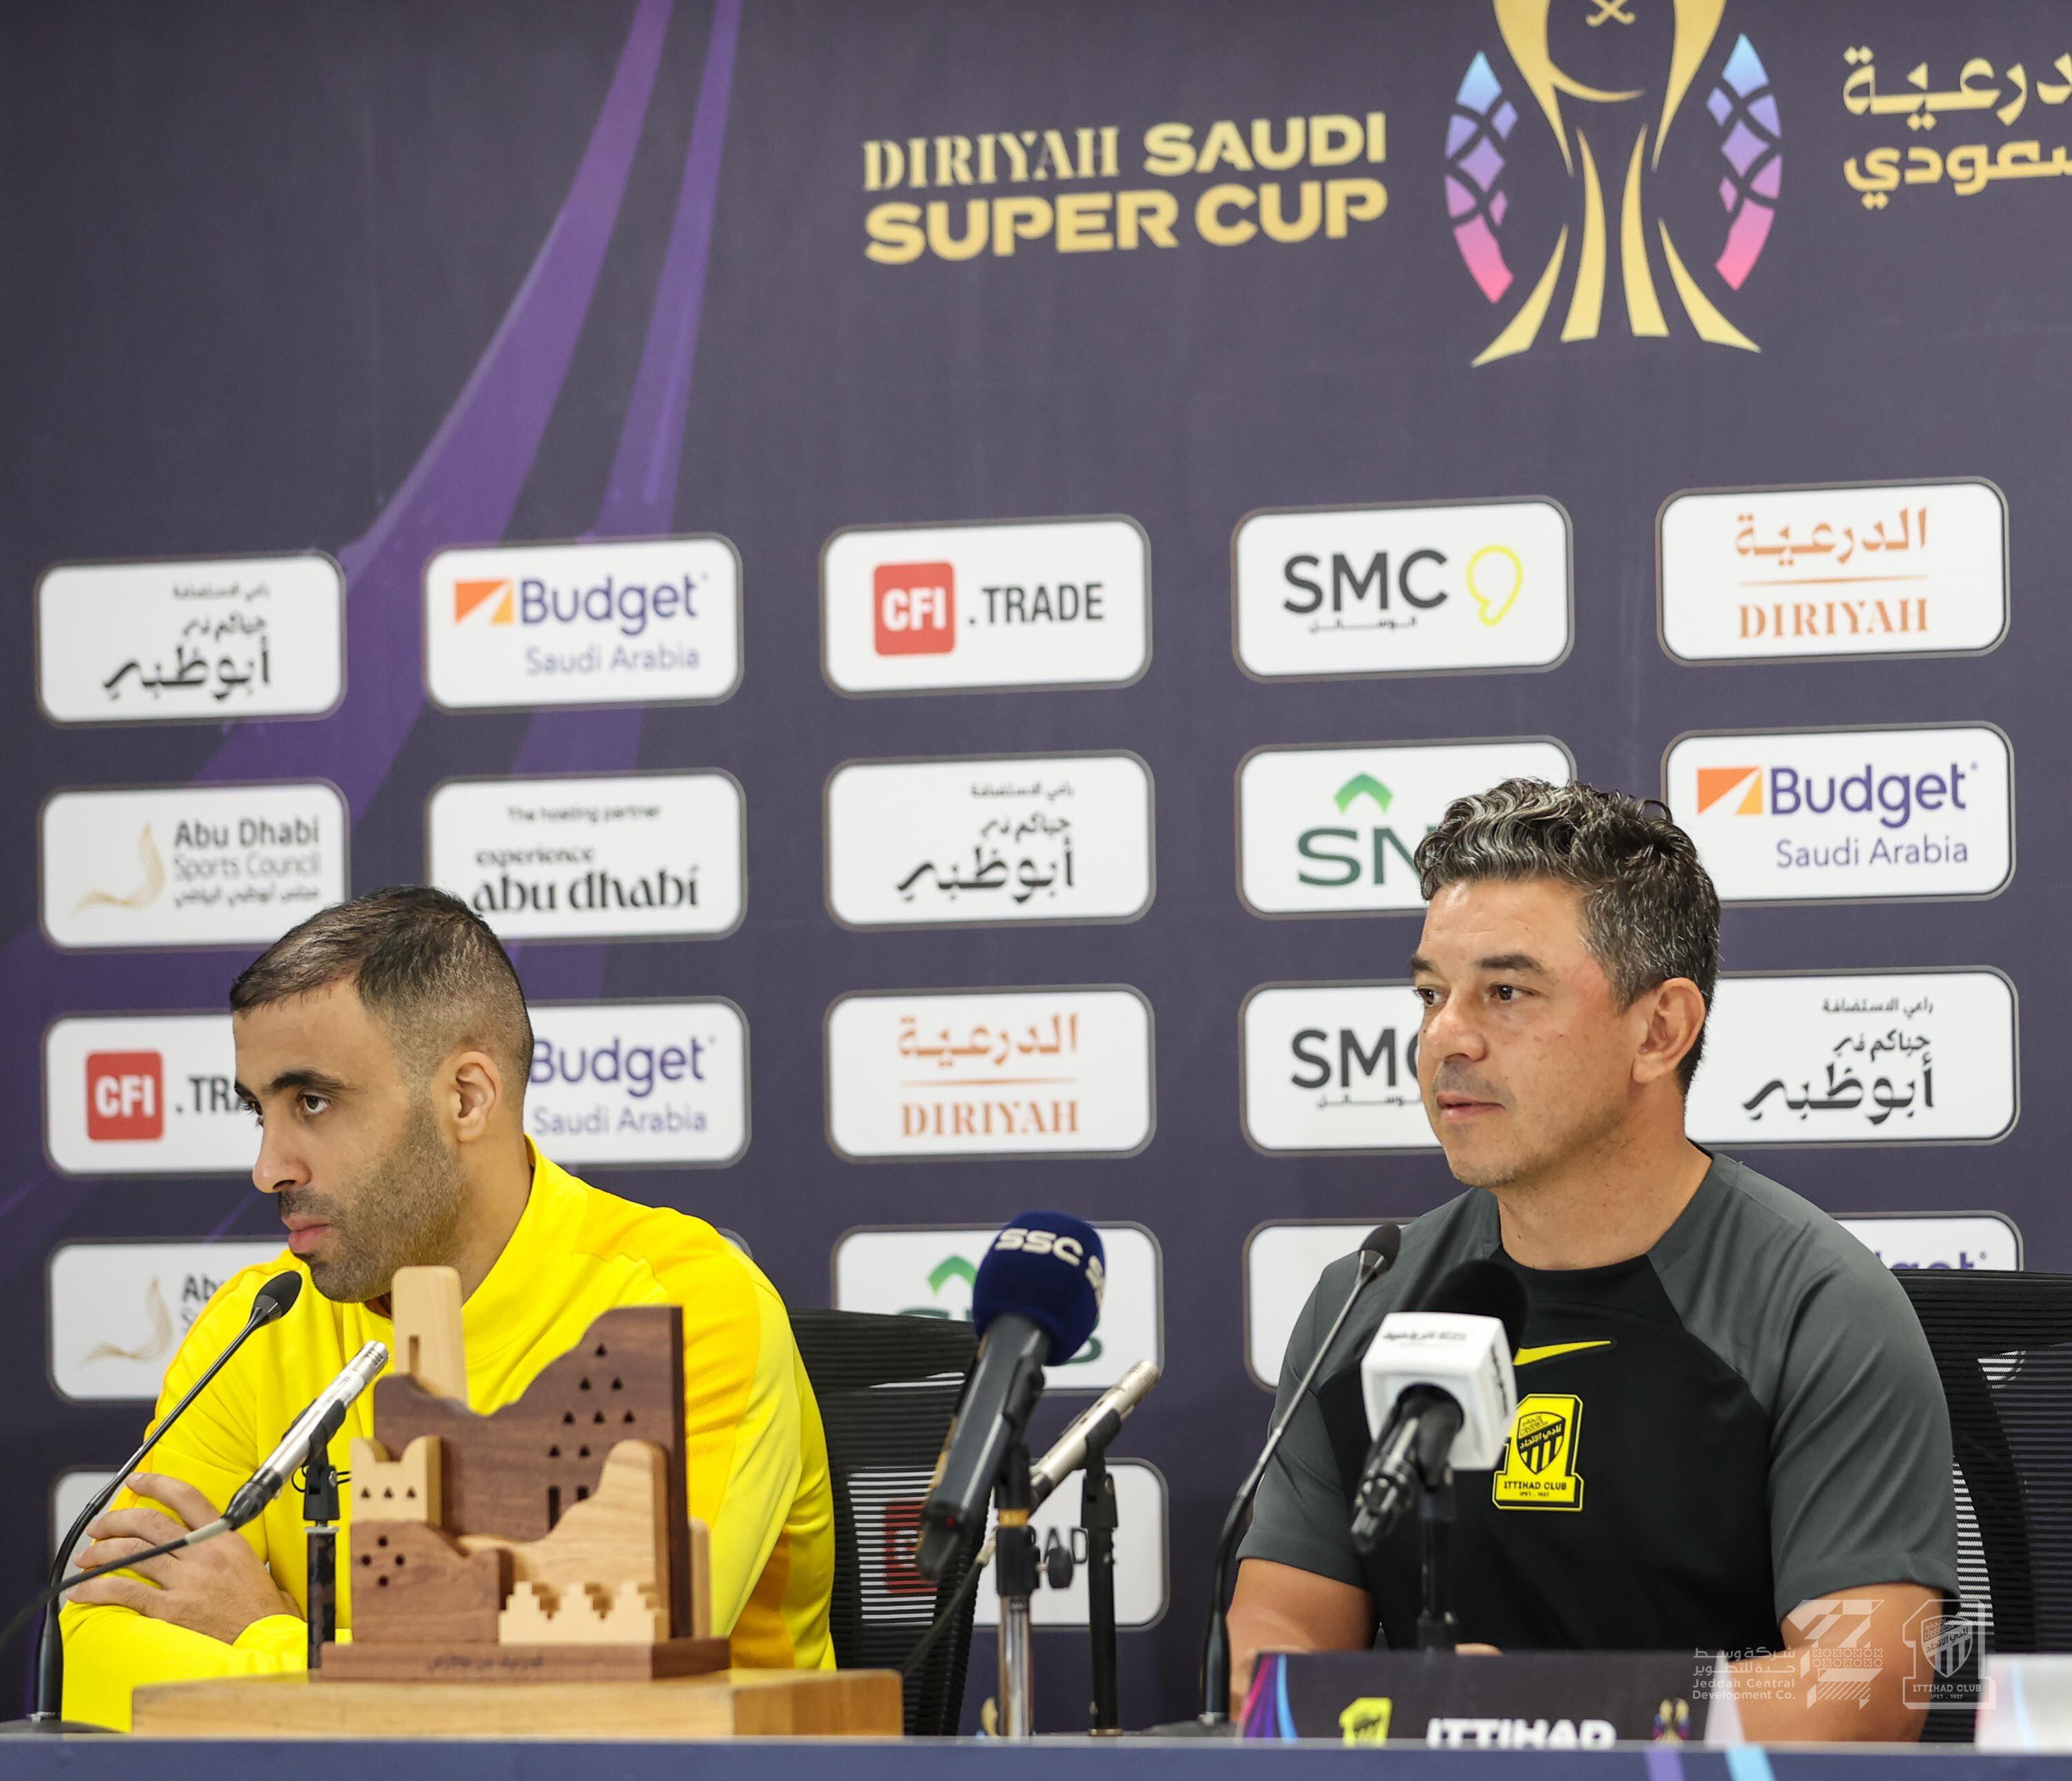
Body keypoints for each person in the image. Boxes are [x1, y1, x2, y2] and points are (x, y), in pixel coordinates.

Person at [1227, 780, 1959, 1741]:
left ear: (1660, 1030)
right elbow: (1273, 1645)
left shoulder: (1815, 1303)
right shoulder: (1365, 1299)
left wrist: (1563, 1713)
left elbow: (1867, 1686)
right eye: (1430, 994)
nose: (1448, 1035)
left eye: (1507, 991)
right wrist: (1394, 1715)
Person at [61, 888, 834, 1729]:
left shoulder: (683, 1306)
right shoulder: (258, 1322)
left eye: (312, 1103)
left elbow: (602, 1686)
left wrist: (277, 1641)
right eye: (259, 1111)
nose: (268, 1166)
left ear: (467, 1098)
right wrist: (375, 1675)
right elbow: (103, 1656)